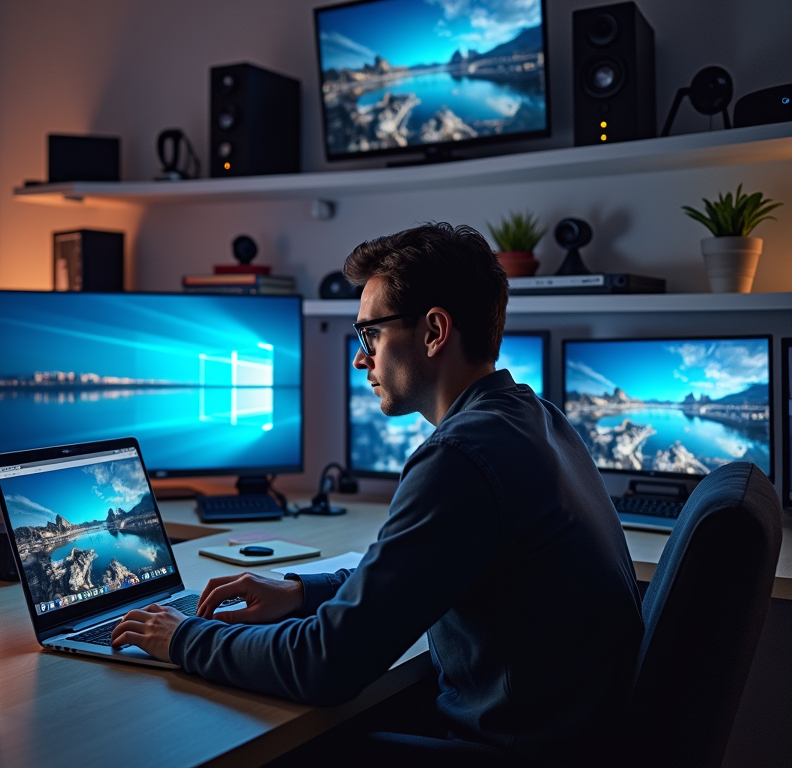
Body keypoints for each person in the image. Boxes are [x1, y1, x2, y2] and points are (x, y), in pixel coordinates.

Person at [111, 223, 643, 766]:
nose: (359, 359)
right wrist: (303, 592)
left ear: (434, 331)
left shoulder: (460, 457)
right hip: (561, 737)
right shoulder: (535, 418)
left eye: (371, 335)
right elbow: (424, 571)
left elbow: (324, 665)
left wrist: (182, 638)